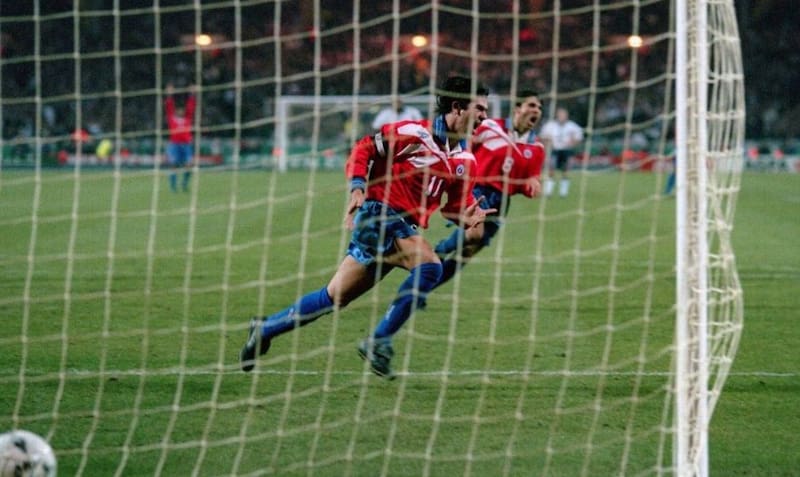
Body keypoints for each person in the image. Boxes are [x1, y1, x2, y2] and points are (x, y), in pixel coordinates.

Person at [239, 76, 493, 379]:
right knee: (431, 267)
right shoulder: (415, 133)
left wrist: (469, 217)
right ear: (457, 107)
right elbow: (364, 149)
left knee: (334, 297)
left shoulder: (465, 160)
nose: (484, 116)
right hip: (379, 213)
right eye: (480, 108)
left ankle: (266, 329)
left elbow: (453, 207)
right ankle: (379, 341)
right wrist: (358, 188)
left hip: (403, 225)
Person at [432, 90, 546, 289]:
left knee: (468, 252)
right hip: (479, 188)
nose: (537, 110)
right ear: (517, 109)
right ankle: (440, 250)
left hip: (502, 201)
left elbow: (527, 181)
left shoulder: (536, 147)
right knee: (474, 234)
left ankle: (425, 288)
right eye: (532, 105)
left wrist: (532, 186)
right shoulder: (491, 127)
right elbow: (465, 143)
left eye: (539, 108)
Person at [539, 107, 583, 198]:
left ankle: (563, 193)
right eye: (560, 115)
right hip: (554, 150)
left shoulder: (572, 126)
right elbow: (542, 137)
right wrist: (548, 143)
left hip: (566, 150)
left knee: (566, 171)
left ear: (567, 116)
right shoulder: (550, 125)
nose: (562, 116)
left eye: (564, 115)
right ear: (557, 115)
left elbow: (579, 138)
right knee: (551, 170)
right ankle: (548, 192)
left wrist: (573, 142)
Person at [164, 83, 196, 192]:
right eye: (179, 110)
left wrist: (192, 95)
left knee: (189, 165)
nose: (180, 111)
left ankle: (184, 184)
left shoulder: (187, 118)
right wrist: (169, 95)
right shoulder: (172, 118)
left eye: (182, 110)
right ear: (176, 111)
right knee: (173, 165)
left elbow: (191, 107)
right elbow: (169, 107)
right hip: (174, 145)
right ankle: (173, 186)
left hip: (186, 145)